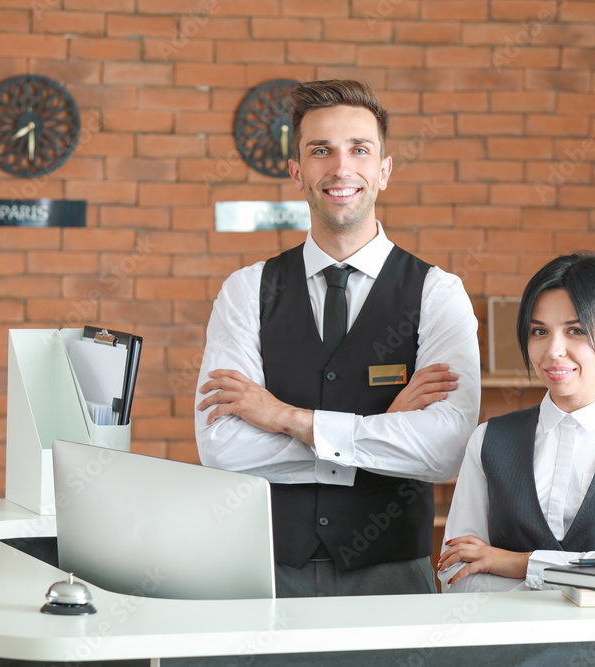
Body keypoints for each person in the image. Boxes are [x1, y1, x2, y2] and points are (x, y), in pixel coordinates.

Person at [195, 79, 480, 597]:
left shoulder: (438, 293)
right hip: (264, 571)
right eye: (320, 150)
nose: (341, 167)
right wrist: (379, 433)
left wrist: (287, 418)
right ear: (297, 171)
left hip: (393, 575)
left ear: (384, 170)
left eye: (359, 149)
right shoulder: (246, 291)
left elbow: (445, 451)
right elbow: (222, 448)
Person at [438, 252, 595, 593]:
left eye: (576, 330)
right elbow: (456, 575)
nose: (553, 350)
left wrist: (513, 563)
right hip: (509, 643)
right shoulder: (488, 439)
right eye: (539, 331)